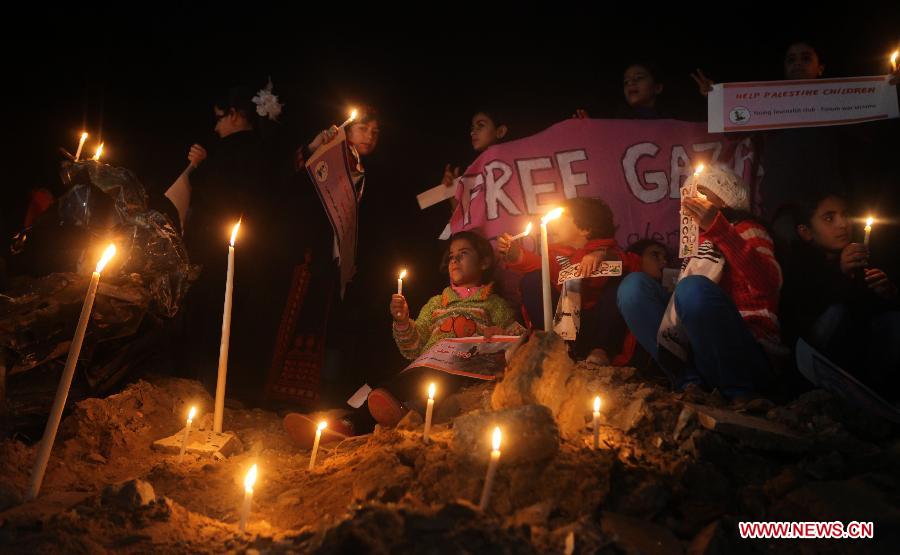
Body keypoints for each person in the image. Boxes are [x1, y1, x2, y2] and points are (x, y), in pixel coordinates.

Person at [282, 231, 524, 444]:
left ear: (484, 262)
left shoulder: (494, 304)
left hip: (464, 371)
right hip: (428, 370)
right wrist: (403, 321)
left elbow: (518, 337)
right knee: (390, 385)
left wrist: (499, 334)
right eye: (451, 255)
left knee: (396, 390)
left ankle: (364, 417)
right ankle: (345, 426)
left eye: (463, 253)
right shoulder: (436, 303)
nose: (455, 260)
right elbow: (414, 347)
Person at [617, 164, 784, 401]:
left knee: (692, 288)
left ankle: (740, 396)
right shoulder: (693, 245)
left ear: (724, 201)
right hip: (700, 355)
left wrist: (719, 229)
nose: (692, 198)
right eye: (689, 193)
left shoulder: (747, 230)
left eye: (702, 192)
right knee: (634, 287)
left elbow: (768, 283)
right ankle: (688, 384)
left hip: (747, 352)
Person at [779, 192, 899, 392]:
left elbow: (866, 318)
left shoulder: (861, 258)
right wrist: (840, 273)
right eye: (829, 218)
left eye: (846, 215)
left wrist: (887, 293)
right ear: (806, 232)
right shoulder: (797, 262)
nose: (843, 224)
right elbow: (804, 313)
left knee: (893, 321)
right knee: (836, 312)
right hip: (808, 360)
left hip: (855, 362)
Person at [498, 197, 640, 363]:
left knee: (617, 283)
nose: (553, 225)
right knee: (533, 279)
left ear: (585, 228)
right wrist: (515, 254)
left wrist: (601, 255)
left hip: (598, 327)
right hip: (565, 327)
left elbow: (627, 262)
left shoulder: (609, 251)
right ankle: (552, 345)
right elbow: (534, 264)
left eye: (561, 218)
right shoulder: (555, 256)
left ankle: (600, 351)